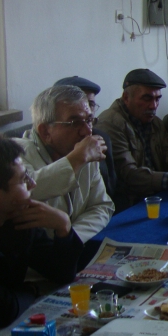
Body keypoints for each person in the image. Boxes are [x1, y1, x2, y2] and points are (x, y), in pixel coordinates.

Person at [0, 134, 83, 329]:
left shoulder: (17, 221)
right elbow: (2, 311)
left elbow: (61, 273)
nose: (32, 185)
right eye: (23, 180)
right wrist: (31, 289)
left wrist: (63, 227)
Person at [96, 69, 168, 211]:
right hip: (128, 204)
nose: (154, 105)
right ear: (126, 97)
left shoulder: (155, 122)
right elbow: (129, 175)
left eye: (157, 99)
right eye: (146, 98)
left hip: (156, 196)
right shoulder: (110, 125)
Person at [14, 85, 113, 242]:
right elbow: (27, 192)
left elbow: (102, 206)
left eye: (89, 120)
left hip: (75, 245)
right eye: (75, 123)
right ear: (45, 132)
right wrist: (76, 159)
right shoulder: (15, 153)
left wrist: (69, 236)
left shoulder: (82, 149)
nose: (87, 132)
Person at [54, 76, 116, 200]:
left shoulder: (101, 138)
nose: (86, 109)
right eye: (78, 103)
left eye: (90, 104)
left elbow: (108, 195)